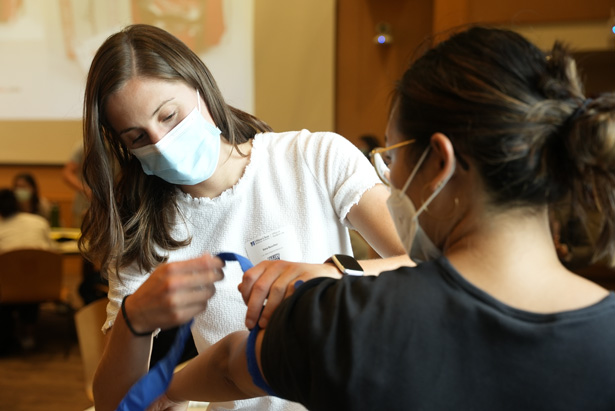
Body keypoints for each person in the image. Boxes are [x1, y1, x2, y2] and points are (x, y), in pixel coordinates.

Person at [152, 27, 615, 410]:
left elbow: (229, 368)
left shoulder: (348, 317)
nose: (389, 181)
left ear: (439, 163)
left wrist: (165, 390)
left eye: (392, 158)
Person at [81, 24, 408, 411]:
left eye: (169, 115)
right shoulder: (142, 231)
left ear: (200, 87)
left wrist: (335, 274)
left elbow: (433, 269)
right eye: (137, 138)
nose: (162, 144)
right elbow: (114, 403)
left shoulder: (314, 157)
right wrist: (132, 321)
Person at [0, 189, 54, 352]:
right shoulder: (39, 222)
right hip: (40, 285)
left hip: (6, 289)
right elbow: (52, 252)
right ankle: (28, 336)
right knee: (29, 276)